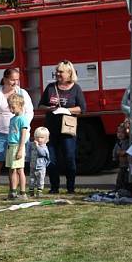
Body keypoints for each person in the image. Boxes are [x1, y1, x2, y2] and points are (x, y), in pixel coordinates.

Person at [0, 67, 33, 197]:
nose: (15, 82)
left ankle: (14, 192)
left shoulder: (22, 93)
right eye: (12, 80)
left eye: (17, 80)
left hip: (16, 136)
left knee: (15, 166)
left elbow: (29, 112)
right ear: (5, 79)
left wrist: (22, 124)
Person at [38, 60, 86, 194]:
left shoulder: (76, 88)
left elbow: (82, 108)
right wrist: (50, 108)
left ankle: (71, 187)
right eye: (57, 71)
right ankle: (54, 187)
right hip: (51, 129)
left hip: (67, 129)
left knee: (69, 157)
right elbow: (40, 105)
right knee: (51, 159)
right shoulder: (51, 87)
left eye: (60, 71)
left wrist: (67, 110)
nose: (57, 74)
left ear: (69, 73)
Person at [5, 93, 29, 199]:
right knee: (12, 169)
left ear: (20, 105)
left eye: (13, 107)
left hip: (17, 146)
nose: (11, 109)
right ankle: (13, 191)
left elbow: (23, 135)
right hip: (11, 146)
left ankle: (22, 192)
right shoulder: (12, 119)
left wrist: (20, 149)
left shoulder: (22, 119)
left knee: (19, 170)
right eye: (9, 107)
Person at [29, 127, 51, 197]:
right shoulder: (32, 144)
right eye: (37, 137)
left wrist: (37, 146)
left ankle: (39, 191)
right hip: (33, 165)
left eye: (42, 137)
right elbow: (29, 151)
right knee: (32, 179)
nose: (39, 139)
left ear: (46, 139)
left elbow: (42, 153)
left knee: (40, 180)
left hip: (41, 167)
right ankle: (31, 191)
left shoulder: (44, 147)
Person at [113, 120, 130, 191]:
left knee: (126, 178)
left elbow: (130, 150)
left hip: (128, 165)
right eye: (118, 132)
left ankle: (125, 189)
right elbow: (115, 151)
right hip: (121, 165)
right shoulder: (118, 143)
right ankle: (118, 189)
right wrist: (115, 156)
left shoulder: (128, 142)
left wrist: (125, 152)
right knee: (120, 178)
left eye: (122, 133)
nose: (120, 134)